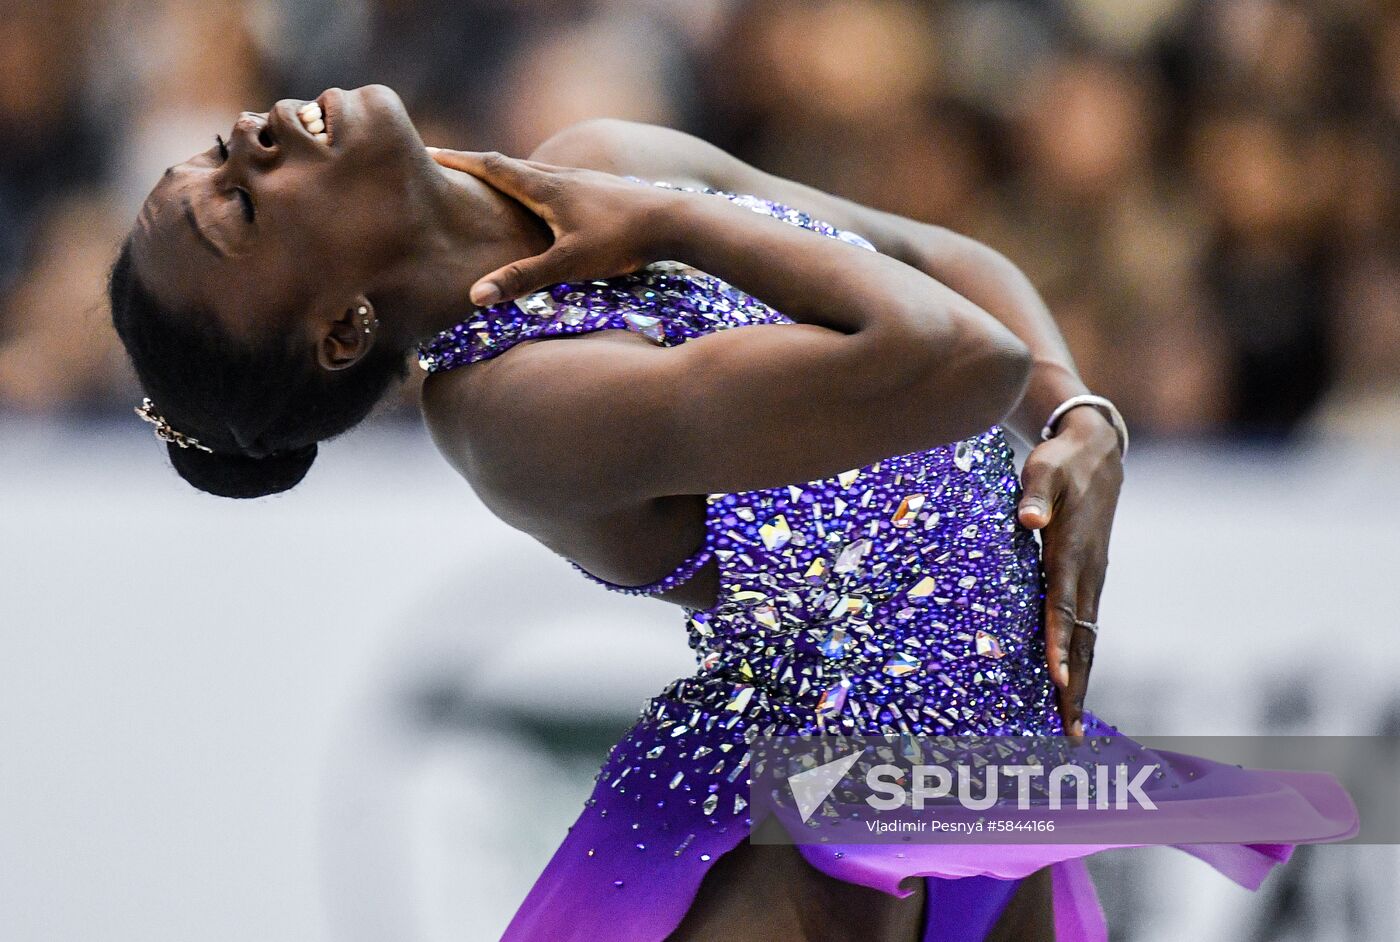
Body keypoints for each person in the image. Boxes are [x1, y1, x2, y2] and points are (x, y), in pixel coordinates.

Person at [110, 85, 1355, 941]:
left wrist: (1083, 416)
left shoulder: (596, 153)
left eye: (216, 158)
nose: (246, 137)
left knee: (1339, 800)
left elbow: (939, 257)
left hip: (983, 781)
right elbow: (958, 362)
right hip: (810, 836)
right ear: (340, 334)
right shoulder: (515, 408)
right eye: (240, 208)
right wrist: (668, 219)